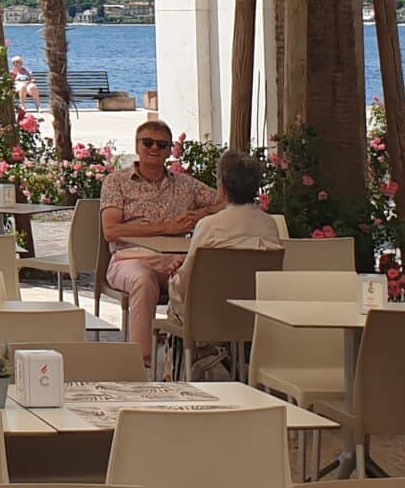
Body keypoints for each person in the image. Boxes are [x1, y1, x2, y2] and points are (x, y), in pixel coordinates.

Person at [100, 118, 221, 344]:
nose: (154, 148)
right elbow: (111, 230)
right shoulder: (116, 182)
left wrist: (200, 215)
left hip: (176, 259)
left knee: (206, 277)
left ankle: (197, 353)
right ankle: (141, 359)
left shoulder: (186, 185)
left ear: (169, 151)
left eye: (161, 145)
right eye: (148, 143)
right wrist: (167, 228)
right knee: (143, 281)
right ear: (137, 147)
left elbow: (226, 202)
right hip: (130, 258)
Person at [175, 151, 282, 308]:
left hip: (208, 315)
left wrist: (174, 277)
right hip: (258, 315)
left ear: (222, 188)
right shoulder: (269, 224)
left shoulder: (209, 225)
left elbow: (186, 283)